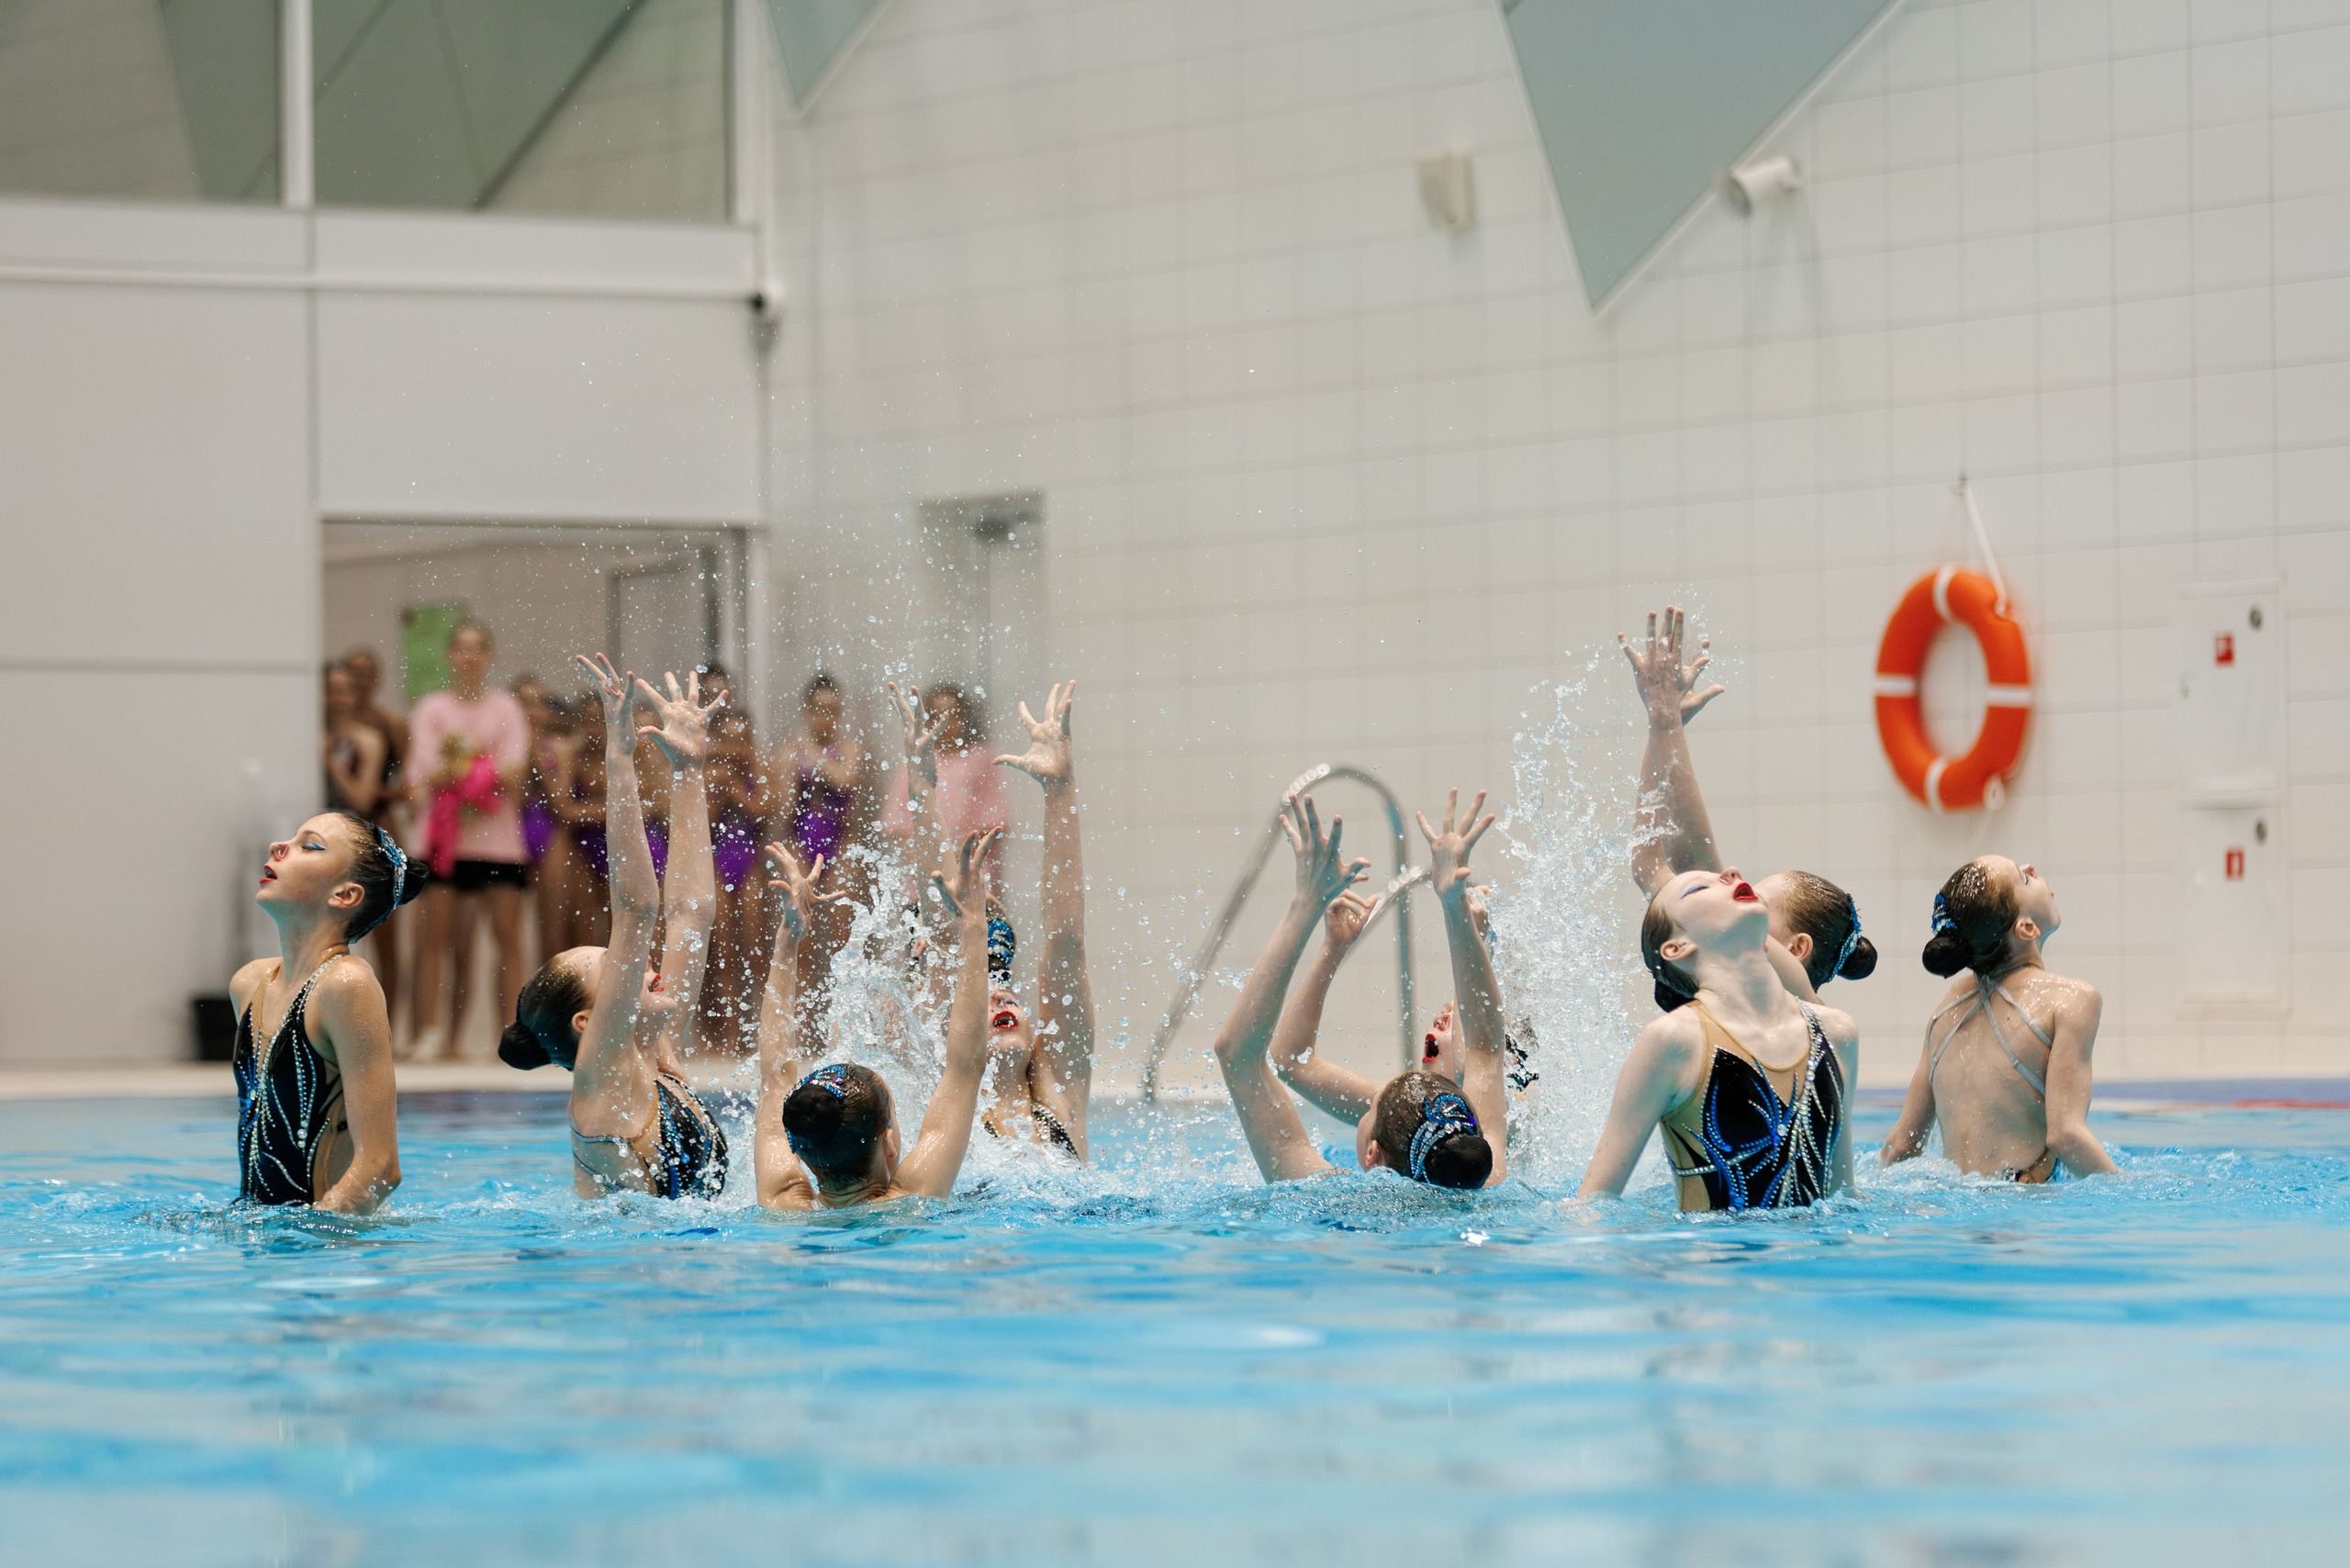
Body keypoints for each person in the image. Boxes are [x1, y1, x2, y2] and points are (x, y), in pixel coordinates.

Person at [498, 655, 732, 1201]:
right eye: (617, 967)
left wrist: (687, 771)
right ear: (588, 1022)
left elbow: (691, 913)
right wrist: (619, 756)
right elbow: (634, 911)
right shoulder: (601, 1079)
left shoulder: (658, 1052)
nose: (643, 966)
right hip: (620, 1277)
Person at [1214, 790, 1511, 1190]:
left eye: (1368, 1112)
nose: (1443, 1016)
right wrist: (1455, 907)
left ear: (1372, 1157)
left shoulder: (1335, 1200)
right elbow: (1485, 1049)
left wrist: (1305, 904)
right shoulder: (1487, 1178)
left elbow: (1237, 1055)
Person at [1624, 607, 1877, 1001]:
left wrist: (1666, 722)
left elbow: (1696, 865)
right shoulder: (1720, 974)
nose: (1730, 886)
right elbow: (1649, 864)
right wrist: (1662, 732)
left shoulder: (1813, 1019)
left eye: (1750, 898)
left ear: (1796, 949)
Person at [1575, 862, 1861, 1210]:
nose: (1731, 871)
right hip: (1710, 1261)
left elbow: (1844, 1197)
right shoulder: (1672, 1042)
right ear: (1676, 948)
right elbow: (1593, 1203)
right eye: (1698, 888)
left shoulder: (1835, 1032)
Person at [754, 828, 1004, 1209]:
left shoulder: (781, 1200)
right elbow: (966, 1066)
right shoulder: (908, 1202)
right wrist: (973, 923)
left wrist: (788, 936)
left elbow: (775, 1075)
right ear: (888, 1144)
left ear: (799, 1154)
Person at [1879, 858, 2119, 1182]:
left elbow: (1900, 1145)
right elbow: (2065, 1135)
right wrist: (2134, 1193)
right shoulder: (2072, 999)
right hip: (2021, 1217)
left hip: (1952, 1211)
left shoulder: (1948, 1006)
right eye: (2023, 877)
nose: (2031, 868)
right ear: (2026, 928)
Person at [229, 809, 420, 1210]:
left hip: (330, 1249)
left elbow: (381, 1168)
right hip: (268, 1239)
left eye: (309, 845)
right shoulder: (249, 984)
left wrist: (310, 1241)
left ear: (345, 895)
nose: (278, 846)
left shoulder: (346, 985)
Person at [406, 622, 532, 1060]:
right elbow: (425, 774)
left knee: (508, 938)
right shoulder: (431, 709)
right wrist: (479, 774)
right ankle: (430, 1033)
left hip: (497, 842)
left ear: (490, 655)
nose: (469, 658)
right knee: (434, 940)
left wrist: (466, 773)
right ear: (450, 655)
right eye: (461, 649)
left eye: (478, 649)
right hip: (445, 841)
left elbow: (515, 770)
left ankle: (516, 1032)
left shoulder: (507, 708)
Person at [775, 672, 868, 1009]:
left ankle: (843, 1012)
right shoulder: (790, 752)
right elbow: (783, 810)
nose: (825, 717)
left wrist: (813, 755)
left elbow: (846, 780)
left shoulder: (849, 749)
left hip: (840, 843)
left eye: (833, 710)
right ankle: (800, 1013)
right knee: (801, 932)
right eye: (819, 709)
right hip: (802, 843)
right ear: (806, 711)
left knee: (845, 930)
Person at [323, 662, 387, 819]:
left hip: (349, 830)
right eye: (332, 691)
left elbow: (362, 802)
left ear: (356, 696)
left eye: (345, 692)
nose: (339, 699)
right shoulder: (306, 738)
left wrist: (329, 760)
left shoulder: (369, 741)